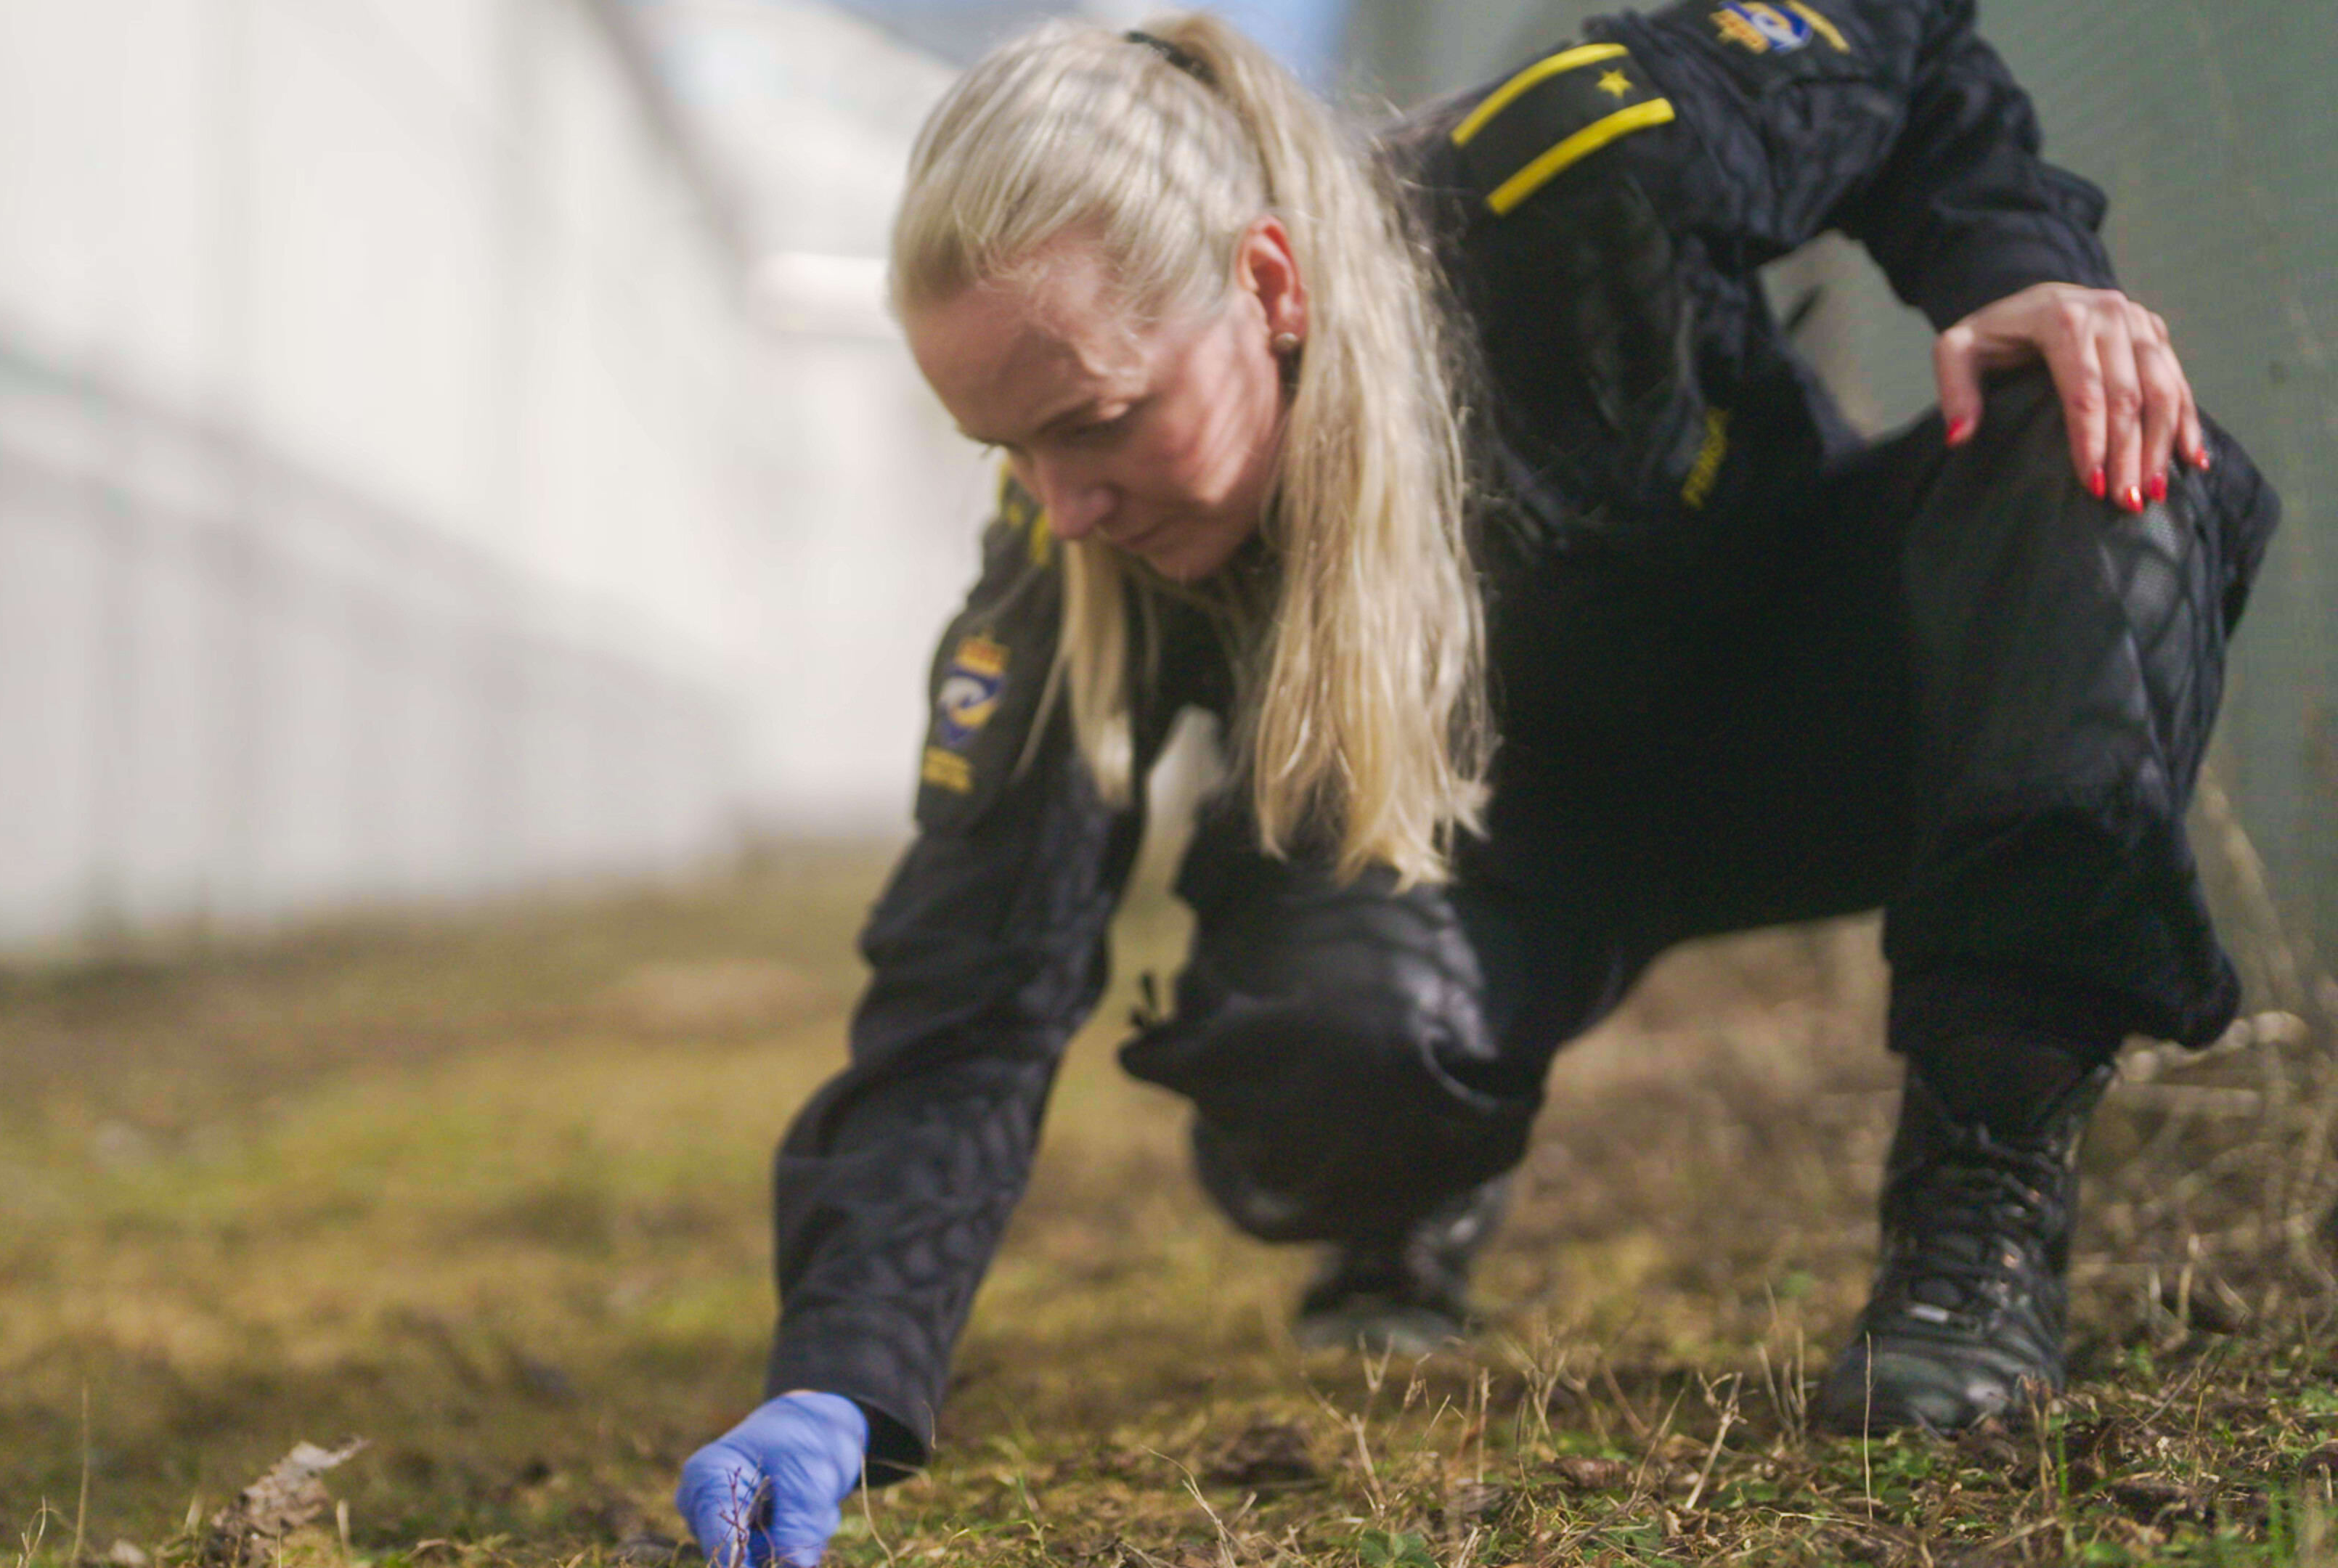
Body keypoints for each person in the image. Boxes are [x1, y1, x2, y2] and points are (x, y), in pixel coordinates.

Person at [678, 2, 2280, 1561]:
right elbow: (970, 986)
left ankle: (1976, 1219)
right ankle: (1411, 1188)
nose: (1064, 503)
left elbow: (1905, 43)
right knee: (1332, 1046)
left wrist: (2014, 271)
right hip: (1475, 861)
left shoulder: (1574, 171)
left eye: (1098, 421)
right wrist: (839, 1377)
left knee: (2105, 454)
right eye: (1006, 451)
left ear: (1270, 282)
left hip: (1800, 704)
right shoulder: (1070, 557)